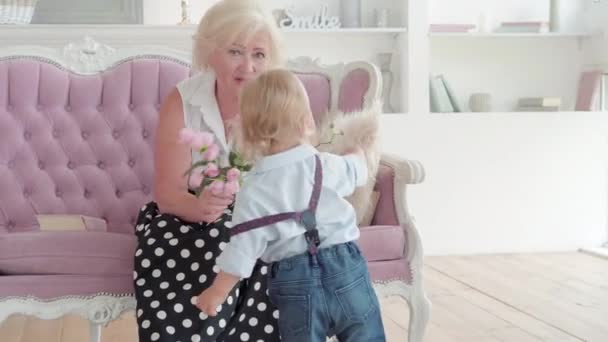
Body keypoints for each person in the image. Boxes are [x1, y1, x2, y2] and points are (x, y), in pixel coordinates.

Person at [195, 69, 386, 342]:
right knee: (366, 336)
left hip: (295, 282)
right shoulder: (325, 164)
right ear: (308, 121)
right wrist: (356, 154)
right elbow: (358, 172)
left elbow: (241, 252)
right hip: (346, 268)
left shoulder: (252, 191)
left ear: (248, 133)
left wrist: (217, 292)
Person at [133, 1, 283, 341]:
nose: (248, 65)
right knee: (204, 245)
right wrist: (195, 207)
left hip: (259, 218)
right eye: (235, 51)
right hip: (186, 216)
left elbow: (294, 177)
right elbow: (168, 191)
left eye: (259, 54)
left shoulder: (280, 100)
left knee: (252, 244)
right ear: (210, 52)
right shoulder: (183, 100)